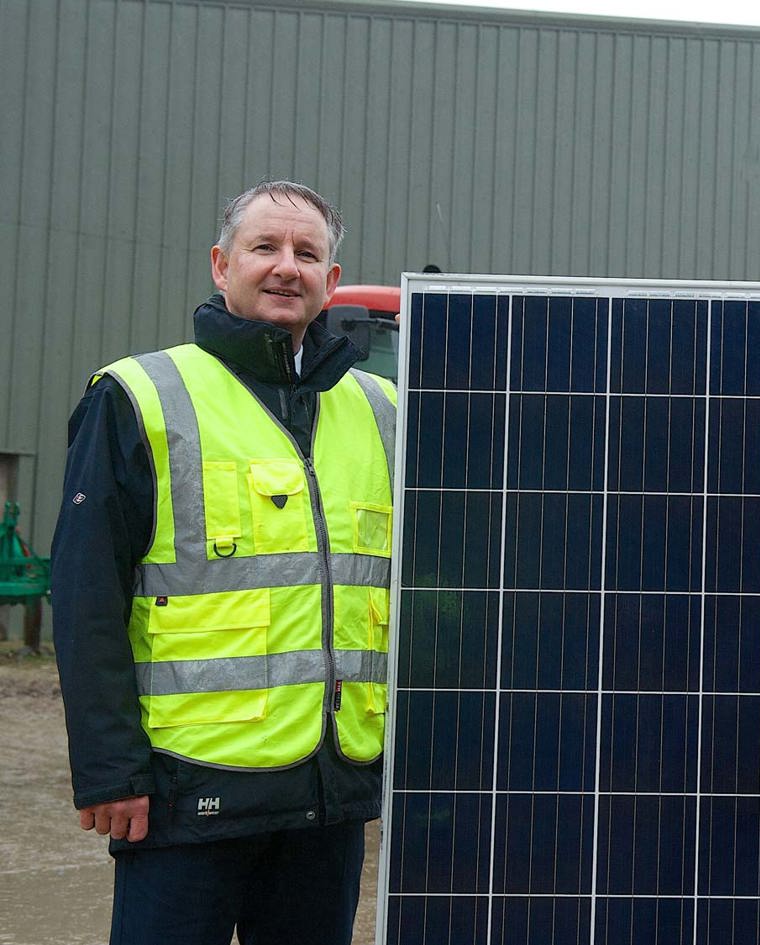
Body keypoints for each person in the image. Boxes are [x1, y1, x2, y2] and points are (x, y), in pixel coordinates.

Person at [51, 180, 397, 945]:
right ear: (221, 264)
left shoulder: (381, 411)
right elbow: (86, 596)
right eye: (264, 247)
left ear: (331, 281)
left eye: (307, 253)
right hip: (186, 792)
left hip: (325, 794)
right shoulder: (141, 395)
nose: (286, 267)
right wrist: (111, 771)